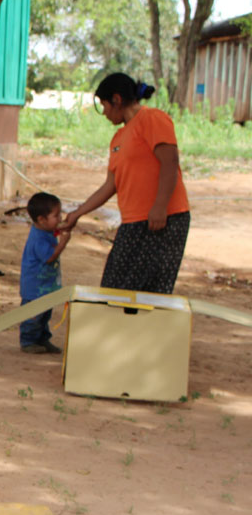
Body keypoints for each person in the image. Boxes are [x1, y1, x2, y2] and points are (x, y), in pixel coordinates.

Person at [62, 73, 190, 294]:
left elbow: (170, 162)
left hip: (163, 219)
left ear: (116, 100)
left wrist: (160, 207)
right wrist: (77, 213)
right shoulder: (118, 138)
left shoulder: (152, 119)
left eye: (104, 106)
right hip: (133, 222)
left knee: (151, 293)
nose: (104, 113)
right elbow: (110, 185)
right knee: (116, 289)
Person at [19, 192, 69, 354]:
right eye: (56, 215)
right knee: (34, 315)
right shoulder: (38, 238)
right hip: (35, 287)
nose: (60, 218)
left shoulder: (45, 231)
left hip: (44, 286)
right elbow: (49, 257)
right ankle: (28, 341)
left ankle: (42, 338)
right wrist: (63, 243)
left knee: (45, 314)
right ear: (41, 219)